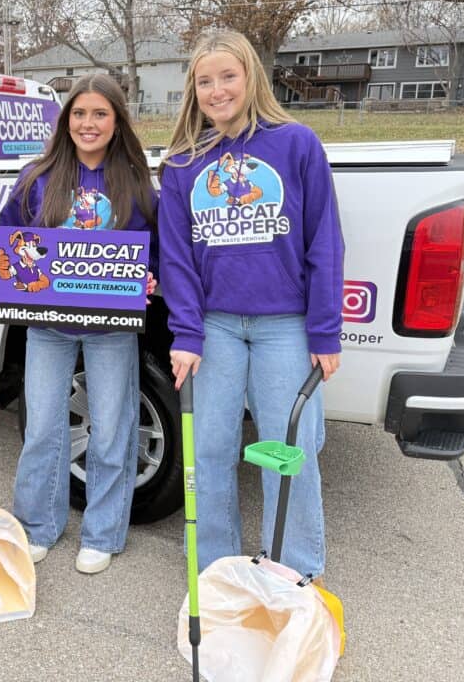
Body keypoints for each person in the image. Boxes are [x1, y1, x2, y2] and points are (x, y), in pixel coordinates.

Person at [158, 29, 344, 579]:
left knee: (287, 450)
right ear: (194, 90)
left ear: (251, 78)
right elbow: (177, 260)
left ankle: (293, 571)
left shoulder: (297, 143)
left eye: (228, 77)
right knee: (210, 451)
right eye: (205, 81)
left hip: (283, 326)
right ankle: (215, 570)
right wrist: (187, 334)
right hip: (214, 327)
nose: (217, 91)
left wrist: (324, 333)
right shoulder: (182, 165)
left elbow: (324, 241)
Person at [0, 73, 158, 574]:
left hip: (112, 327)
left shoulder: (134, 181)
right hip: (48, 326)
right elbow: (11, 238)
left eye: (100, 114)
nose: (88, 124)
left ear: (117, 122)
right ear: (67, 120)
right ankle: (37, 525)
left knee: (113, 429)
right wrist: (10, 274)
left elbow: (157, 247)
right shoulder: (37, 176)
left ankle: (104, 532)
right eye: (80, 114)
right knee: (44, 427)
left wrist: (150, 278)